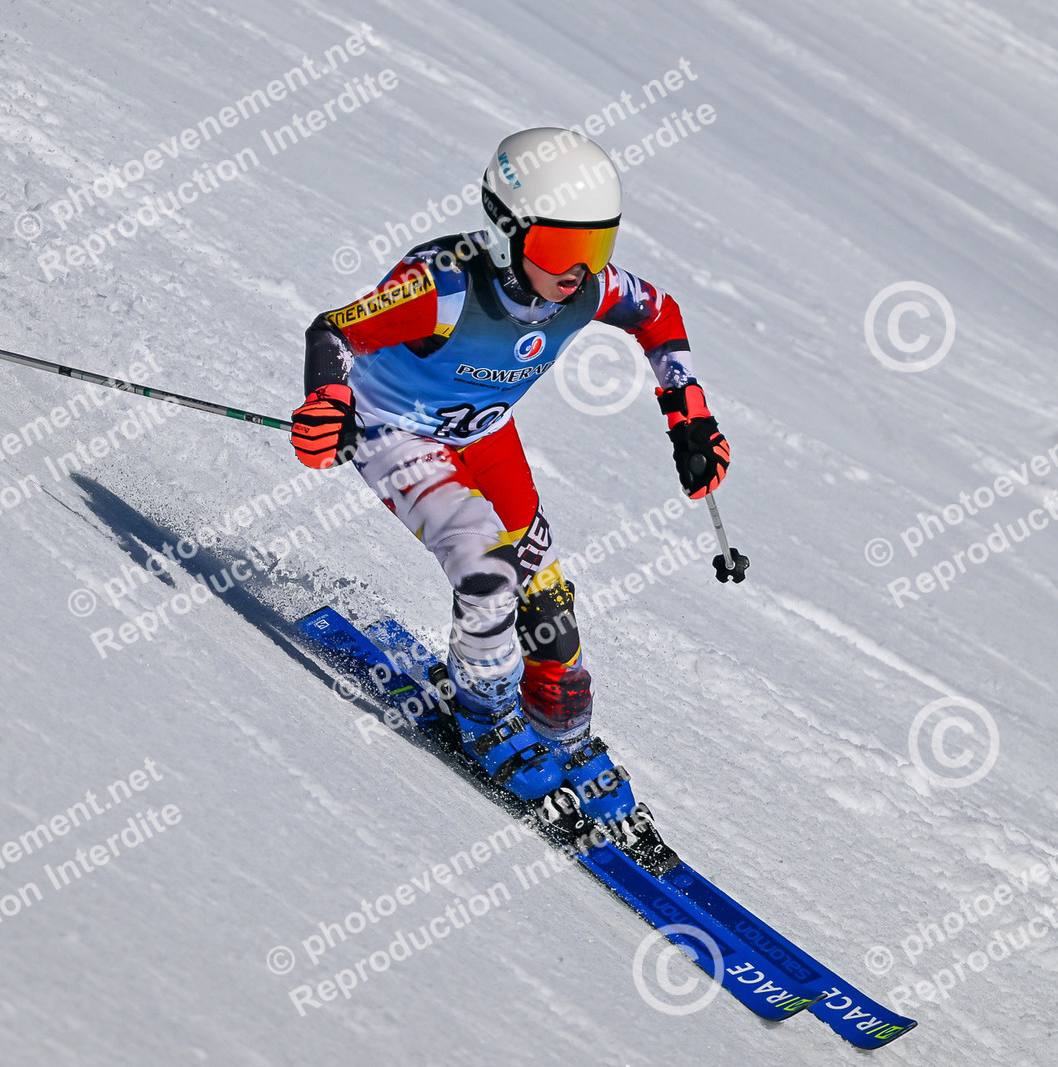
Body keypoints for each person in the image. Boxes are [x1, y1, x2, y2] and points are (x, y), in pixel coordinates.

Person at [290, 128, 730, 825]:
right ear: (505, 231)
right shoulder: (441, 286)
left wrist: (689, 413)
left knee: (547, 605)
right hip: (397, 433)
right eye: (559, 249)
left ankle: (562, 734)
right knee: (488, 572)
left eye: (595, 248)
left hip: (486, 436)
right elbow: (334, 331)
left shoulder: (587, 290)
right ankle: (485, 713)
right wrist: (328, 401)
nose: (578, 273)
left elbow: (658, 313)